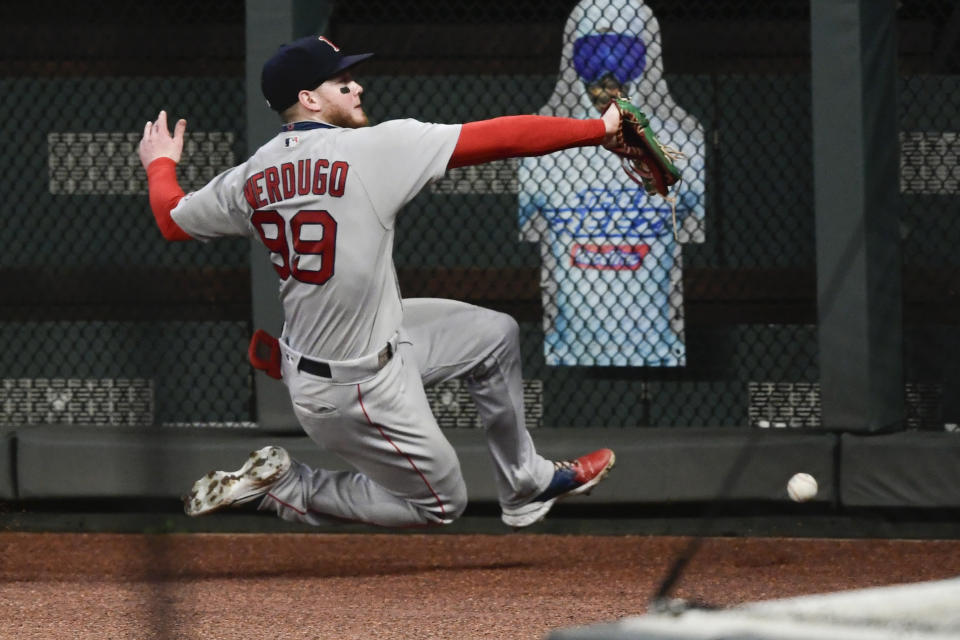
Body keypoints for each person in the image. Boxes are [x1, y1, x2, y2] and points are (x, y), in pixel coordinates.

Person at [138, 35, 618, 529]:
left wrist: (160, 163)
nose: (357, 87)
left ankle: (526, 481)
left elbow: (172, 219)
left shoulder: (251, 175)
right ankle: (293, 487)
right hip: (358, 387)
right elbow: (502, 136)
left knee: (496, 335)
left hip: (359, 347)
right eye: (342, 82)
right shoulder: (371, 149)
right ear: (309, 99)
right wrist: (599, 128)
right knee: (440, 505)